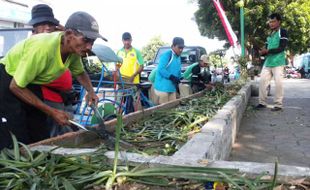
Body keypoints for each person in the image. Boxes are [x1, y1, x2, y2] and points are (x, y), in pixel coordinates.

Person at [0, 11, 106, 150]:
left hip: (32, 83)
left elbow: (80, 73)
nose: (89, 47)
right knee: (17, 132)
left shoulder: (73, 51)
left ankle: (39, 164)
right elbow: (16, 87)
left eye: (92, 42)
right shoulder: (43, 49)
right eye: (85, 40)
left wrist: (91, 91)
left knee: (39, 130)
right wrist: (52, 112)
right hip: (9, 79)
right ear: (68, 35)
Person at [29, 4, 76, 137]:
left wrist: (60, 29)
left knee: (68, 131)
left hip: (64, 97)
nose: (47, 27)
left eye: (50, 23)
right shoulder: (36, 44)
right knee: (57, 136)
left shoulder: (59, 39)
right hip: (48, 98)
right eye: (43, 24)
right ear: (34, 28)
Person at [256, 13, 288, 111]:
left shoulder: (283, 32)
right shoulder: (270, 34)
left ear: (279, 21)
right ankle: (262, 103)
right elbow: (266, 47)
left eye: (273, 21)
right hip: (268, 62)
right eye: (270, 22)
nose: (271, 24)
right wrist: (262, 52)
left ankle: (278, 105)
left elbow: (282, 47)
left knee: (278, 83)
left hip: (278, 62)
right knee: (262, 82)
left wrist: (268, 51)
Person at [154, 37, 184, 104]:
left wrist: (180, 77)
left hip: (172, 88)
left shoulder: (178, 57)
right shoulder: (167, 55)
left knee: (172, 109)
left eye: (182, 48)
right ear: (173, 46)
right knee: (164, 111)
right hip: (162, 89)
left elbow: (178, 71)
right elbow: (161, 69)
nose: (181, 50)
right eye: (179, 47)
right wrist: (172, 77)